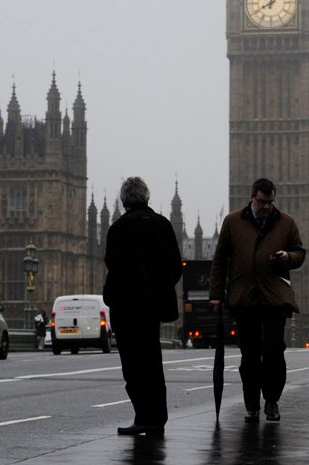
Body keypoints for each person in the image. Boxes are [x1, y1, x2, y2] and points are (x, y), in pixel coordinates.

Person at [209, 177, 306, 423]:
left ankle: (272, 400)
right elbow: (220, 260)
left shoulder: (286, 222)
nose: (266, 207)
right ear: (252, 197)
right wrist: (216, 295)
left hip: (275, 296)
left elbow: (300, 253)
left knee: (274, 350)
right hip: (244, 297)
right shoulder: (233, 221)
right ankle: (252, 404)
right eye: (262, 202)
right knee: (249, 354)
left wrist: (287, 257)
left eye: (271, 202)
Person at [102, 176, 184, 437]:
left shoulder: (119, 228)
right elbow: (175, 267)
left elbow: (113, 268)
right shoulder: (163, 225)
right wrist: (159, 291)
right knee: (152, 361)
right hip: (154, 310)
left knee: (133, 366)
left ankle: (143, 417)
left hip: (127, 310)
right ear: (147, 198)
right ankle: (158, 418)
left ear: (124, 201)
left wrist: (111, 297)